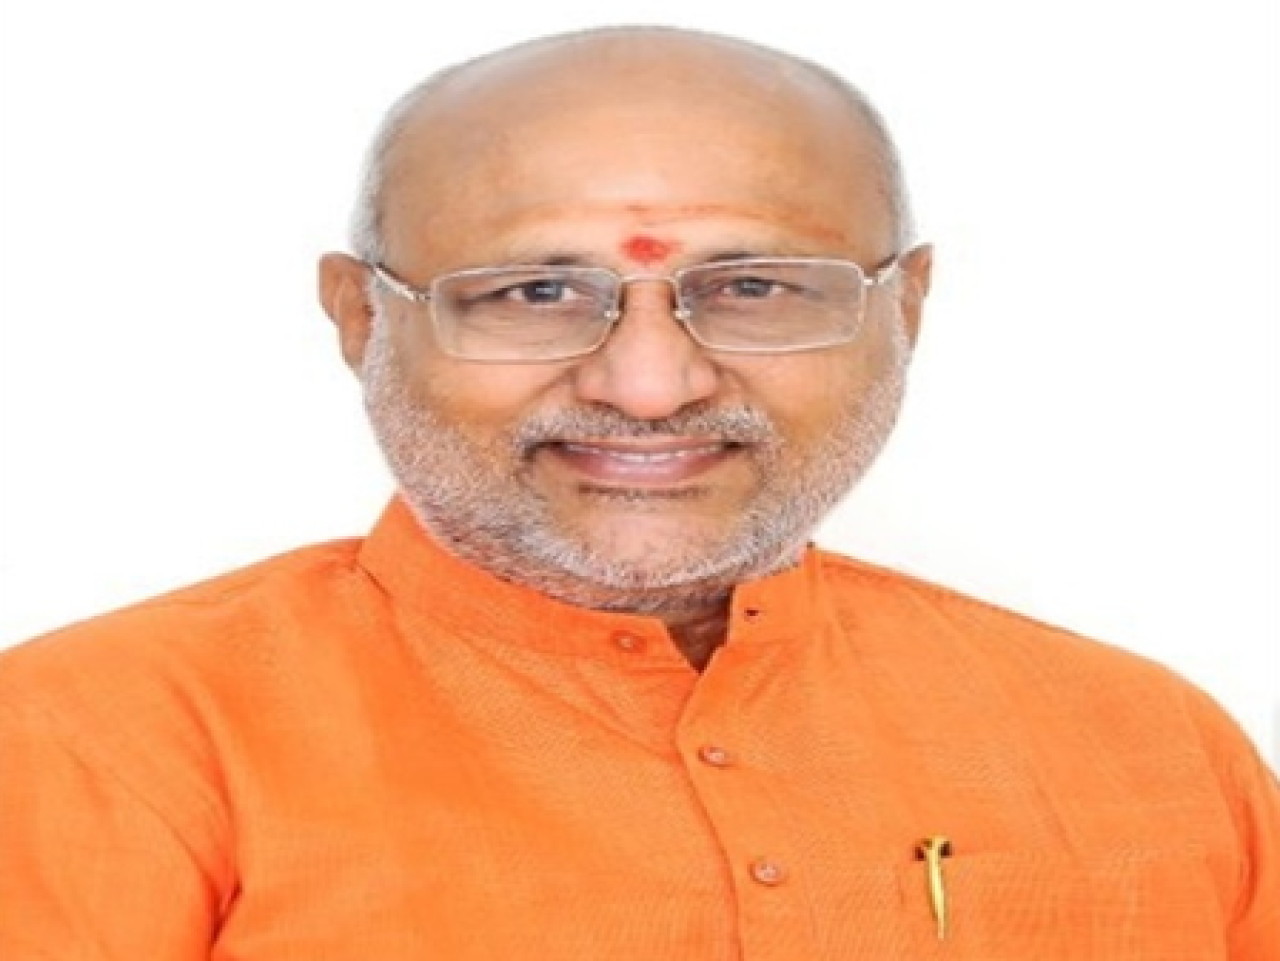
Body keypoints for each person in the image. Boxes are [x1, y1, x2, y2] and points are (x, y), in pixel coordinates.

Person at [1, 23, 1276, 960]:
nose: (651, 385)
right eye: (534, 291)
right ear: (358, 318)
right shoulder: (94, 748)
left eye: (754, 287)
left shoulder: (1151, 749)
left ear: (907, 308)